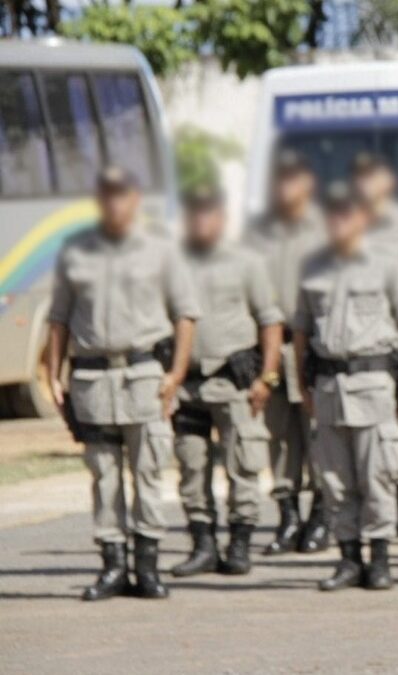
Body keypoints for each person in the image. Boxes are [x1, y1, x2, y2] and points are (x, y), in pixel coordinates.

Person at [46, 166, 202, 601]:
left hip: (143, 377)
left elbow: (186, 314)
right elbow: (58, 320)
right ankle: (112, 565)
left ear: (135, 198)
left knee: (149, 470)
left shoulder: (161, 250)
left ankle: (148, 566)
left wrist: (176, 374)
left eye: (122, 194)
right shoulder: (76, 252)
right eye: (107, 194)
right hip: (93, 379)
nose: (114, 202)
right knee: (105, 475)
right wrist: (53, 375)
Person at [293, 181, 398, 592]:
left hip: (373, 383)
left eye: (346, 213)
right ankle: (349, 559)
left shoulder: (387, 265)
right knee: (337, 479)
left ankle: (381, 559)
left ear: (363, 219)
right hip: (330, 385)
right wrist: (303, 384)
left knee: (377, 476)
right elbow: (301, 331)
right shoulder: (312, 269)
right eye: (332, 213)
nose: (338, 221)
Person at [170, 184, 284, 578]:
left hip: (234, 383)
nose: (201, 219)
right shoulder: (173, 262)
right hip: (188, 387)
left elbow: (270, 320)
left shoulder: (246, 262)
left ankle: (239, 544)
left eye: (208, 212)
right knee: (191, 466)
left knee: (243, 465)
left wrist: (267, 377)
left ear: (221, 218)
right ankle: (203, 545)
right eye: (194, 212)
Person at [243, 149, 330, 556]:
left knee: (318, 438)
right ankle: (288, 516)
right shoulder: (257, 234)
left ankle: (321, 515)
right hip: (270, 350)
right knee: (278, 438)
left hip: (310, 348)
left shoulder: (325, 232)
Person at [353, 151, 398, 254]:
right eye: (358, 175)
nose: (362, 182)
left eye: (370, 175)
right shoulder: (342, 221)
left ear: (390, 180)